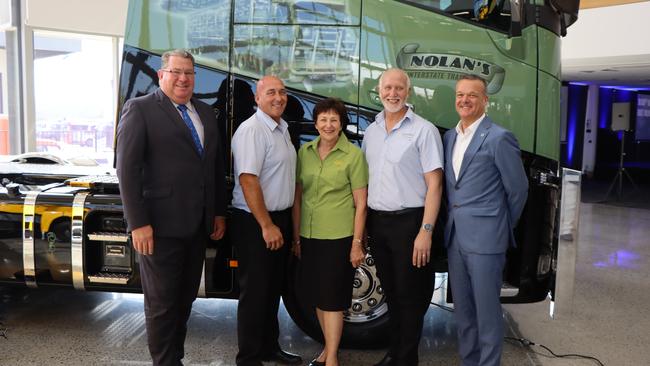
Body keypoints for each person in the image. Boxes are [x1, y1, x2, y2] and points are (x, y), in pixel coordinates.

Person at [116, 49, 227, 365]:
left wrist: (218, 211)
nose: (183, 78)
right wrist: (138, 223)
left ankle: (174, 359)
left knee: (184, 301)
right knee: (163, 304)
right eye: (176, 71)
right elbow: (127, 170)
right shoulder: (139, 110)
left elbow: (214, 167)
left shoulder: (205, 113)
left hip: (197, 226)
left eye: (189, 73)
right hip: (158, 227)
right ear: (160, 74)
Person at [443, 74, 528, 366]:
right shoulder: (450, 137)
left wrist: (500, 228)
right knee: (463, 313)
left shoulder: (499, 137)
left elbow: (518, 189)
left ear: (485, 100)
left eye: (472, 95)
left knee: (487, 313)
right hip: (456, 238)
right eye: (460, 95)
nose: (464, 100)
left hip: (487, 240)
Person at [362, 68, 444, 366]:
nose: (392, 93)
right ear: (379, 90)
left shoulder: (424, 130)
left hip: (411, 224)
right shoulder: (371, 132)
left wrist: (426, 230)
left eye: (399, 88)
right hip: (379, 223)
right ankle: (395, 354)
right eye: (388, 88)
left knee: (411, 298)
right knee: (392, 295)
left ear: (407, 92)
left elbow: (435, 185)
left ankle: (406, 359)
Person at [231, 75, 302, 366]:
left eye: (282, 92)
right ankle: (248, 358)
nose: (278, 97)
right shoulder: (252, 130)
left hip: (278, 219)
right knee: (256, 293)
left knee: (273, 289)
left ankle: (269, 348)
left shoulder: (280, 128)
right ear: (257, 99)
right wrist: (266, 225)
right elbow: (248, 180)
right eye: (271, 92)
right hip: (256, 222)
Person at [291, 98, 368, 366]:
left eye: (334, 120)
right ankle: (327, 348)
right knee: (317, 297)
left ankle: (332, 358)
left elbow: (361, 205)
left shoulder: (354, 155)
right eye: (323, 119)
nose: (328, 125)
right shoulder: (305, 152)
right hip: (310, 236)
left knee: (333, 300)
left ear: (341, 124)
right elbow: (298, 198)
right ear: (315, 123)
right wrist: (297, 237)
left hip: (339, 237)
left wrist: (357, 243)